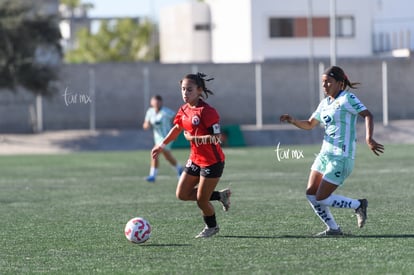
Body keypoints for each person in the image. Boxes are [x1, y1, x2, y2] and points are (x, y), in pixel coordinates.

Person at [280, 65, 384, 236]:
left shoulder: (347, 98)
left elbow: (367, 115)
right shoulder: (324, 104)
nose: (324, 85)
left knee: (321, 197)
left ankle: (358, 205)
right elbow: (310, 124)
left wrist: (369, 138)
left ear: (339, 83)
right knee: (311, 194)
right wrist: (292, 120)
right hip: (324, 155)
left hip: (341, 157)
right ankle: (333, 229)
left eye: (328, 81)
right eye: (323, 82)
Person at [151, 73, 231, 238]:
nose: (185, 93)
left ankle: (212, 227)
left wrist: (193, 138)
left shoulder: (207, 112)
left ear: (199, 90)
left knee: (202, 201)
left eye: (189, 90)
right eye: (183, 89)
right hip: (195, 159)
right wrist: (162, 145)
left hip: (212, 162)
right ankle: (220, 195)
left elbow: (217, 138)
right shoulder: (184, 109)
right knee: (182, 194)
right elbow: (177, 128)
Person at [143, 95, 183, 182]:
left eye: (158, 102)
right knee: (167, 156)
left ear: (161, 102)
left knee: (154, 152)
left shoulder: (166, 111)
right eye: (155, 102)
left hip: (167, 137)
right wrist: (147, 125)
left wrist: (176, 130)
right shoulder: (150, 112)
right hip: (157, 138)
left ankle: (152, 175)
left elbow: (177, 118)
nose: (156, 104)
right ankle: (179, 169)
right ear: (151, 102)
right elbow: (145, 124)